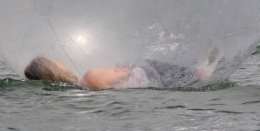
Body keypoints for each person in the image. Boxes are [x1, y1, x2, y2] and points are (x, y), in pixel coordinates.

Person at [24, 49, 222, 90]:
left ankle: (200, 70)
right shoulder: (90, 76)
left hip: (143, 84)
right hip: (146, 73)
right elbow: (125, 74)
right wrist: (120, 69)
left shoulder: (81, 89)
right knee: (197, 77)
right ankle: (200, 72)